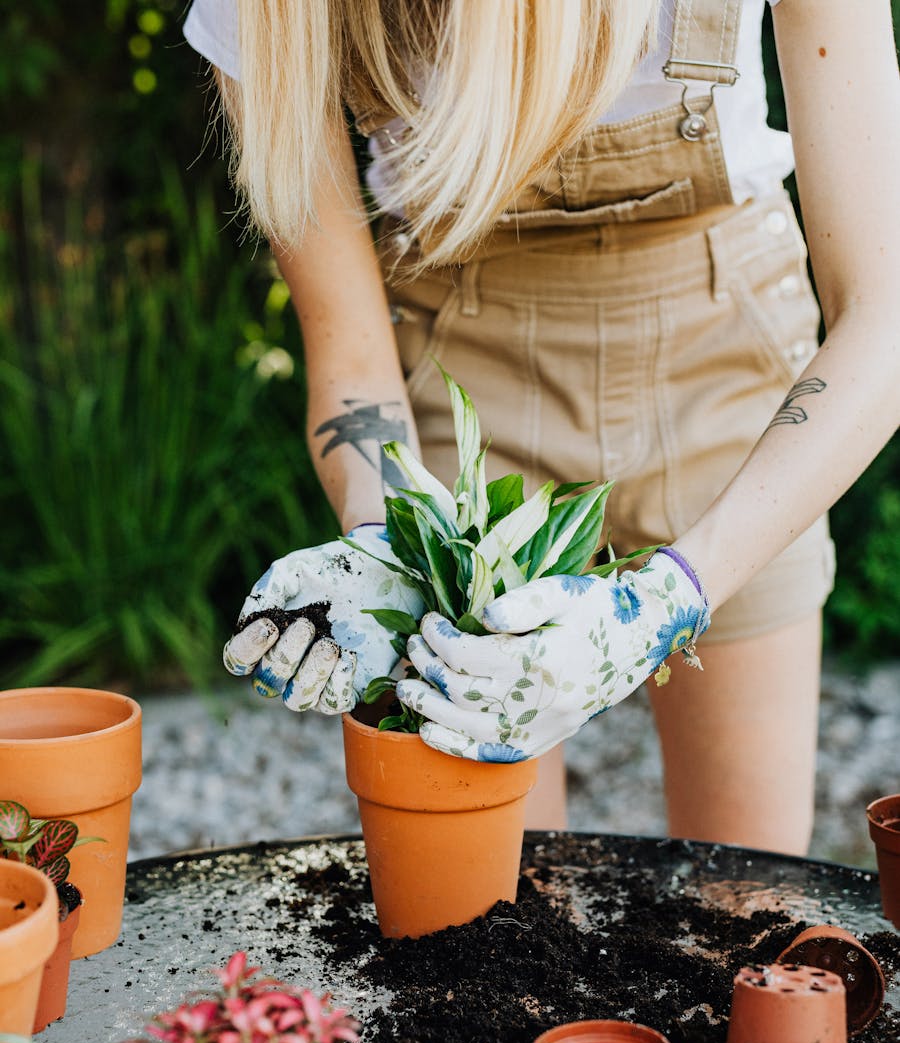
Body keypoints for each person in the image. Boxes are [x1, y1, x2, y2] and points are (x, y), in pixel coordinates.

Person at [184, 0, 900, 855]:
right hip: (465, 379)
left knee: (747, 894)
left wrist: (669, 597)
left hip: (727, 363)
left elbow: (886, 315)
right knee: (494, 921)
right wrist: (384, 541)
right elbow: (352, 368)